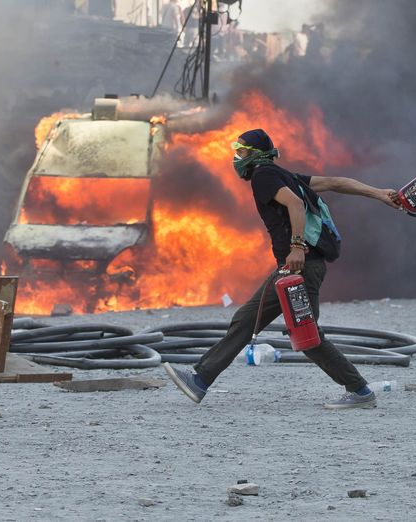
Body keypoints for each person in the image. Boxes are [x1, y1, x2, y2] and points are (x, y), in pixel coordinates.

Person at [164, 129, 402, 409]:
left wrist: (297, 246)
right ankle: (200, 380)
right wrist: (378, 193)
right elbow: (336, 183)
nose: (237, 158)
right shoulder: (287, 176)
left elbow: (296, 204)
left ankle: (360, 391)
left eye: (241, 152)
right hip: (294, 269)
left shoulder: (263, 176)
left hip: (299, 268)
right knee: (249, 320)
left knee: (307, 336)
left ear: (254, 155)